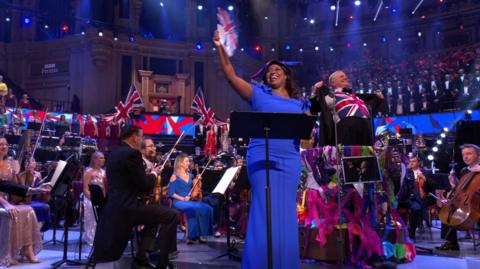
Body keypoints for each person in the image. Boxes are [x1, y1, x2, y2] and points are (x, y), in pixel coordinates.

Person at [213, 31, 309, 269]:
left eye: (277, 69)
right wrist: (220, 47)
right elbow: (230, 74)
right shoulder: (258, 94)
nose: (272, 71)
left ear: (287, 75)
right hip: (261, 158)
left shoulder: (300, 104)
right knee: (263, 210)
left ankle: (285, 264)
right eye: (268, 70)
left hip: (289, 160)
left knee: (286, 211)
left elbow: (308, 136)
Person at [92, 125, 178, 269]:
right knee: (172, 215)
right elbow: (144, 185)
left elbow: (129, 180)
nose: (141, 140)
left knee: (154, 217)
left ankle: (141, 257)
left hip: (114, 206)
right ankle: (162, 264)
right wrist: (154, 174)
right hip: (128, 208)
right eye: (141, 136)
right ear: (134, 137)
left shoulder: (115, 153)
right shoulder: (132, 154)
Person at [310, 71, 384, 146]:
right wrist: (314, 93)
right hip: (347, 130)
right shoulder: (330, 97)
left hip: (366, 128)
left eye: (345, 76)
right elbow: (314, 108)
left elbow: (370, 104)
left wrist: (378, 98)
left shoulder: (356, 96)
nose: (345, 78)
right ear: (333, 82)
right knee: (351, 156)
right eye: (341, 76)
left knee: (367, 155)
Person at [0, 137, 42, 266]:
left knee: (28, 210)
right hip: (1, 202)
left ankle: (27, 249)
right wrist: (5, 204)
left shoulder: (9, 163)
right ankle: (6, 254)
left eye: (6, 144)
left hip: (6, 200)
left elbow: (13, 187)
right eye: (0, 144)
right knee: (8, 213)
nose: (4, 147)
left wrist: (15, 173)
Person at [436, 144, 480, 251]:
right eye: (463, 154)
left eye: (469, 154)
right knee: (447, 211)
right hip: (468, 201)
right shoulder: (465, 170)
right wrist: (453, 183)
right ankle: (452, 243)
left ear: (479, 155)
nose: (465, 157)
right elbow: (462, 188)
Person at [168, 154, 214, 244]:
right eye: (186, 161)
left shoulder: (190, 175)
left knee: (208, 208)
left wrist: (198, 179)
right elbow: (171, 193)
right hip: (179, 201)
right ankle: (191, 236)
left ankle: (201, 234)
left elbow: (195, 189)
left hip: (189, 200)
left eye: (188, 161)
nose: (189, 163)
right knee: (194, 209)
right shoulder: (174, 176)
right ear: (180, 163)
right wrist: (182, 198)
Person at [397, 155, 434, 241]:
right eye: (410, 161)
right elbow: (403, 188)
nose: (411, 163)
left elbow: (432, 187)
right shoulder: (407, 173)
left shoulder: (426, 172)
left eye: (414, 161)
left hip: (423, 197)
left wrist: (424, 179)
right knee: (398, 207)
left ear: (419, 163)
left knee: (415, 208)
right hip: (409, 198)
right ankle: (403, 231)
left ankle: (411, 234)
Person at [82, 151, 106, 246]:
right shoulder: (88, 172)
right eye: (100, 158)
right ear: (94, 159)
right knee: (92, 208)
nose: (103, 160)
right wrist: (93, 199)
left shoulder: (104, 172)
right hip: (90, 197)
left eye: (103, 158)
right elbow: (85, 190)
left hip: (102, 197)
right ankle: (91, 237)